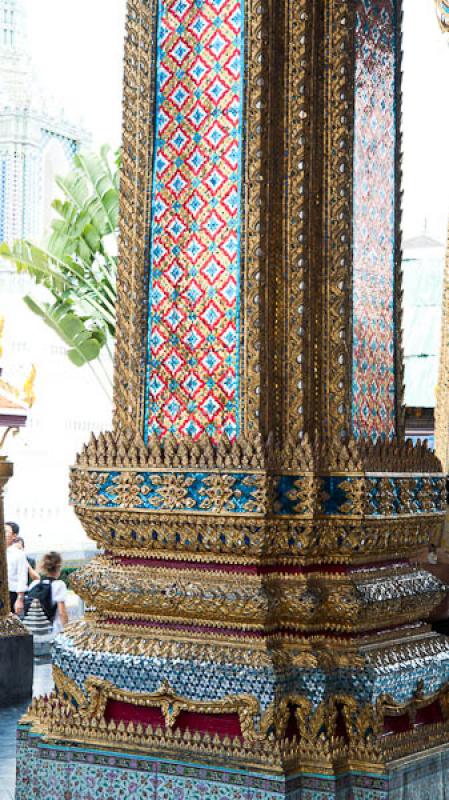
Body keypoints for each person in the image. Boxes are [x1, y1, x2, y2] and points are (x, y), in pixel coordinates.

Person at [27, 551, 68, 633]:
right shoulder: (59, 585)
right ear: (59, 567)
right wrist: (67, 629)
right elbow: (62, 612)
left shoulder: (34, 584)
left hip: (34, 628)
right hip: (53, 629)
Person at [5, 521, 29, 615]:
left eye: (6, 531)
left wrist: (19, 599)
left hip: (11, 594)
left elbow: (22, 578)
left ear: (14, 536)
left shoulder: (18, 554)